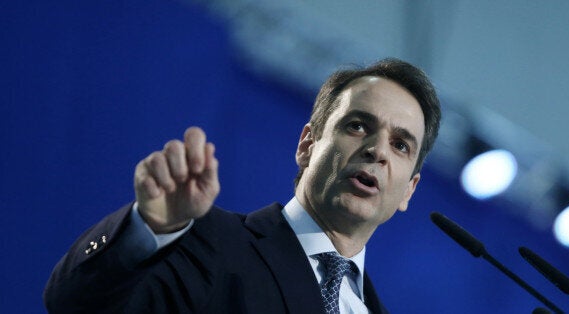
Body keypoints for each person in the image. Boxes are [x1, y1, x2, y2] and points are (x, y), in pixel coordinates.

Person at [44, 58, 441, 314]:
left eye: (401, 144)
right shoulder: (212, 242)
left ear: (409, 190)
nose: (377, 151)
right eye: (358, 126)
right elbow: (76, 305)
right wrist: (147, 228)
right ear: (308, 144)